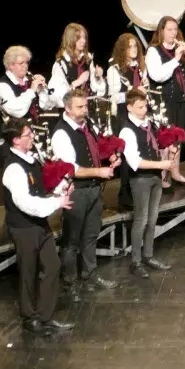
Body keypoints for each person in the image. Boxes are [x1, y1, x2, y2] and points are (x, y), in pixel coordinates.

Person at [0, 120, 75, 335]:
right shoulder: (14, 168)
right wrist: (55, 203)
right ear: (15, 140)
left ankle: (45, 315)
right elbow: (24, 202)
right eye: (28, 134)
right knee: (28, 271)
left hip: (39, 224)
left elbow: (41, 187)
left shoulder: (31, 160)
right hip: (24, 227)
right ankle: (29, 317)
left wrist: (61, 189)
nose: (32, 136)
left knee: (52, 265)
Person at [50, 87, 121, 300]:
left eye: (85, 105)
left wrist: (110, 159)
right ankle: (69, 283)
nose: (85, 110)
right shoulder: (62, 133)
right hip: (76, 192)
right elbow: (70, 168)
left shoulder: (86, 125)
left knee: (90, 236)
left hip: (93, 190)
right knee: (71, 241)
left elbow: (94, 150)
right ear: (68, 108)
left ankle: (90, 276)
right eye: (80, 107)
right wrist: (99, 171)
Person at [118, 88, 177, 278]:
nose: (144, 110)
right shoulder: (127, 130)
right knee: (141, 220)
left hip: (154, 177)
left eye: (145, 106)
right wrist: (161, 164)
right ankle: (136, 261)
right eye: (139, 107)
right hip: (141, 180)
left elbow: (154, 143)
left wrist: (169, 145)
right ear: (129, 107)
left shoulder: (148, 123)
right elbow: (135, 162)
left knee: (152, 219)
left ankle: (148, 255)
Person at [146, 15, 185, 184]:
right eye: (169, 29)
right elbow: (157, 75)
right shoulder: (153, 51)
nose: (173, 33)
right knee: (165, 140)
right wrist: (175, 59)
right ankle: (163, 175)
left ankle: (175, 172)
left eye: (175, 29)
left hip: (180, 100)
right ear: (161, 31)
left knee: (177, 140)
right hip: (163, 101)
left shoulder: (180, 48)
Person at [47, 23, 106, 108]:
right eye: (79, 38)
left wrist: (97, 77)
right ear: (70, 39)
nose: (83, 41)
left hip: (86, 109)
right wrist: (76, 83)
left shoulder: (87, 59)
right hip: (69, 113)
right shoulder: (61, 64)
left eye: (84, 37)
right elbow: (56, 97)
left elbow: (98, 91)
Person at [0, 45, 52, 127]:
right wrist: (32, 91)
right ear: (11, 65)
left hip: (36, 128)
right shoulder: (3, 85)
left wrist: (42, 90)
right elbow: (17, 112)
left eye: (26, 62)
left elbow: (47, 107)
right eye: (21, 63)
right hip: (17, 134)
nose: (25, 66)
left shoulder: (29, 80)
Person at [106, 32, 149, 128]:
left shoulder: (141, 67)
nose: (134, 49)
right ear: (122, 50)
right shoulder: (114, 70)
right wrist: (134, 92)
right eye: (130, 47)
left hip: (142, 113)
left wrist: (146, 88)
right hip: (125, 116)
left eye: (135, 46)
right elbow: (113, 98)